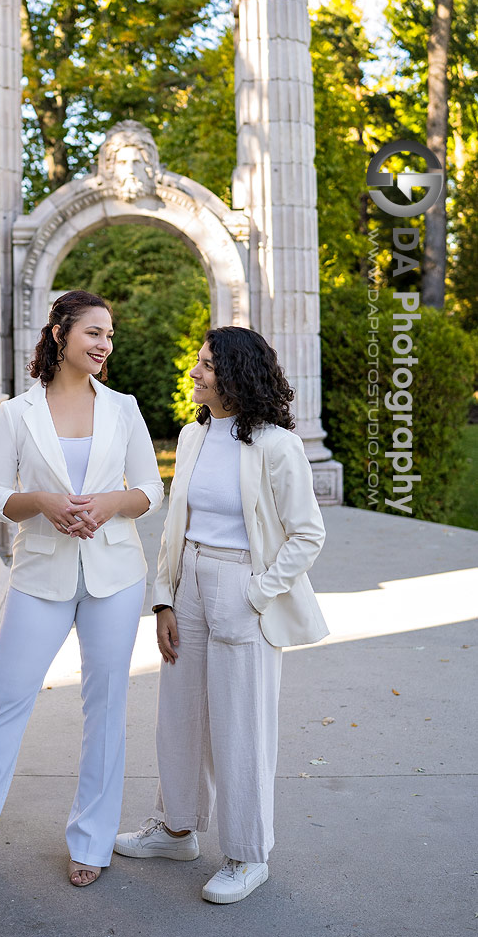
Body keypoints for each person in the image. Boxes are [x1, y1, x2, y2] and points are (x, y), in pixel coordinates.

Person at [0, 290, 163, 893]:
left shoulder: (124, 407)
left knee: (106, 710)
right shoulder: (16, 413)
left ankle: (91, 842)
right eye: (94, 332)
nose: (105, 344)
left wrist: (108, 505)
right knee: (3, 704)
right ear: (60, 334)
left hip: (114, 574)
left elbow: (148, 489)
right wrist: (43, 504)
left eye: (110, 335)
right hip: (38, 576)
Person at [115, 325, 329, 904]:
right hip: (188, 582)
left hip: (243, 584)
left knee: (242, 724)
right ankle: (177, 829)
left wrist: (259, 594)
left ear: (235, 373)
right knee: (178, 714)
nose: (195, 371)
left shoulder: (278, 445)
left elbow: (307, 534)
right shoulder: (192, 436)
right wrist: (163, 598)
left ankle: (246, 854)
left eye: (206, 364)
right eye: (198, 362)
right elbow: (174, 528)